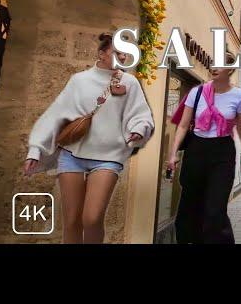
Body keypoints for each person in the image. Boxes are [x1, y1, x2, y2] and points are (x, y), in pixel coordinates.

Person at [24, 32, 155, 244]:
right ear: (102, 53)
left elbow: (141, 114)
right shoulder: (79, 80)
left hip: (108, 157)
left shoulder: (129, 82)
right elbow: (56, 113)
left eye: (125, 54)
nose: (122, 57)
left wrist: (139, 129)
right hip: (71, 155)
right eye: (117, 52)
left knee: (92, 218)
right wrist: (36, 148)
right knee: (72, 220)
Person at [167, 51, 241, 244]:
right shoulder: (197, 92)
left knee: (215, 209)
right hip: (196, 148)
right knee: (190, 203)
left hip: (223, 151)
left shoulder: (239, 96)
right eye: (213, 63)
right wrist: (173, 154)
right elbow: (182, 125)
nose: (214, 67)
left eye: (220, 64)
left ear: (230, 70)